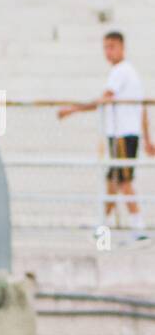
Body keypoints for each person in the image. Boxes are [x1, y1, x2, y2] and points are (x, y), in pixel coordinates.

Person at [58, 31, 153, 232]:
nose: (108, 52)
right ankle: (102, 223)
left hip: (122, 135)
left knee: (124, 180)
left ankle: (139, 227)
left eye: (111, 47)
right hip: (126, 134)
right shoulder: (132, 72)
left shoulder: (120, 71)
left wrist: (72, 110)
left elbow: (103, 100)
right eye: (105, 47)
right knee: (113, 180)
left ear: (122, 47)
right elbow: (142, 109)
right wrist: (147, 138)